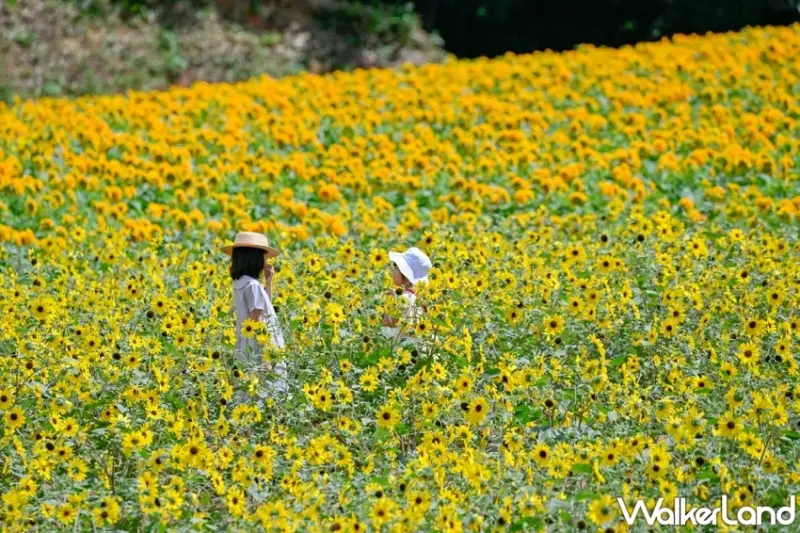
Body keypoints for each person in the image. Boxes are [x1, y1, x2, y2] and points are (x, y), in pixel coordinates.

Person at [223, 231, 287, 394]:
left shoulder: (240, 282)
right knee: (267, 391)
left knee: (248, 390)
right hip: (260, 348)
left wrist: (269, 281)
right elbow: (258, 320)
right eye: (263, 256)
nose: (266, 261)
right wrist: (267, 357)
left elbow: (263, 306)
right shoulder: (252, 286)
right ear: (253, 258)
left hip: (247, 345)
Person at [382, 247, 432, 342]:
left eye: (395, 267)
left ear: (404, 274)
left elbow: (387, 326)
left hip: (402, 350)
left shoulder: (405, 299)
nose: (392, 271)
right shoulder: (417, 299)